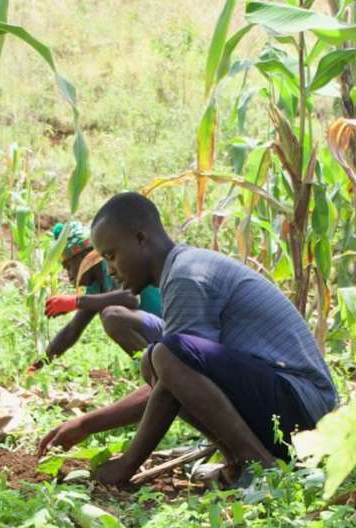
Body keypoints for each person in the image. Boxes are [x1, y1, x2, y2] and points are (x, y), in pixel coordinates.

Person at [38, 192, 340, 487]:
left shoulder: (186, 274)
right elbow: (172, 380)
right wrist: (87, 425)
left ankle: (257, 464)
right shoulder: (179, 271)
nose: (111, 270)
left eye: (112, 256)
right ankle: (239, 459)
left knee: (165, 356)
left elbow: (175, 374)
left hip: (305, 408)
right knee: (155, 361)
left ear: (141, 239)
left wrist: (125, 462)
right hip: (291, 409)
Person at [35, 221, 165, 365]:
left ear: (84, 256)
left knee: (112, 315)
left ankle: (157, 371)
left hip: (175, 332)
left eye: (69, 267)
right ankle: (153, 370)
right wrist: (38, 364)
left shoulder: (115, 263)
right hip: (160, 337)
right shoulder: (97, 286)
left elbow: (132, 297)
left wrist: (75, 302)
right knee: (110, 314)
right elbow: (72, 331)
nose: (70, 276)